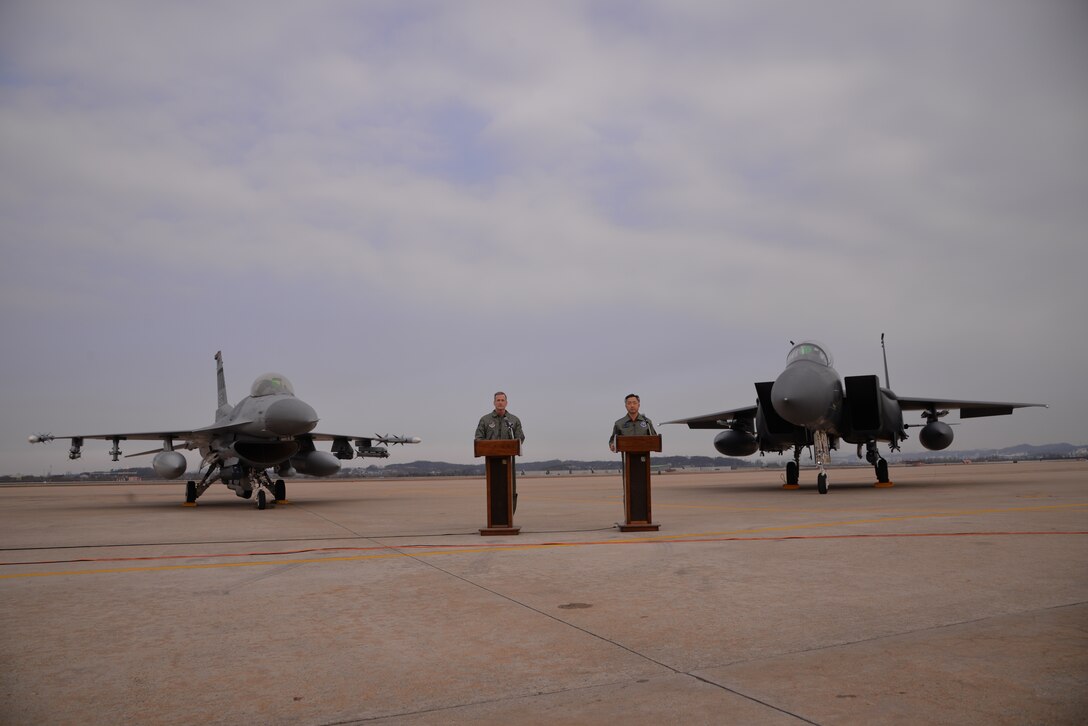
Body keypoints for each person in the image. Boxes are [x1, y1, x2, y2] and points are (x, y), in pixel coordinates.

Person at [475, 391, 525, 510]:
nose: (500, 403)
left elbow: (520, 438)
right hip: (492, 462)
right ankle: (494, 518)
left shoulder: (513, 420)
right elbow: (479, 438)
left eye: (502, 400)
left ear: (506, 403)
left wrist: (511, 446)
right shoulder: (485, 420)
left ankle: (508, 516)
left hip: (508, 462)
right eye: (498, 400)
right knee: (494, 490)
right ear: (494, 402)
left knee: (508, 489)